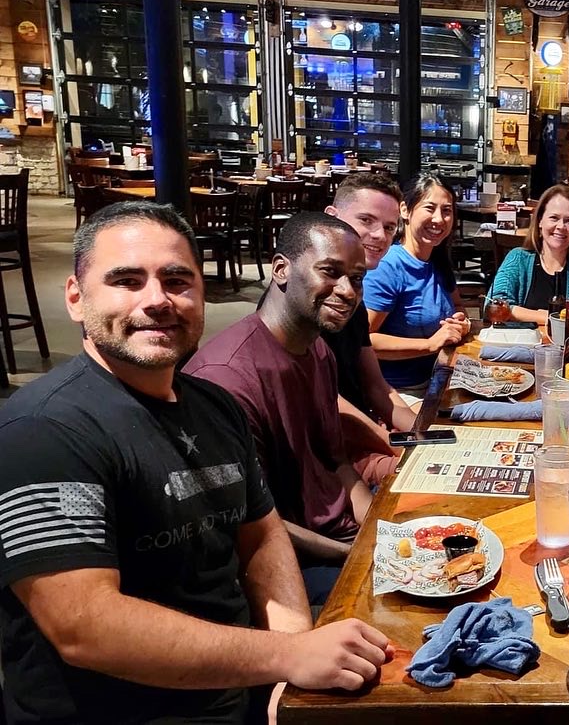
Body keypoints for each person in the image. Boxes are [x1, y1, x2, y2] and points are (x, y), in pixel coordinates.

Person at [0, 202, 393, 724]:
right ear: (76, 297)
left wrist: (292, 666)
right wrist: (287, 656)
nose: (157, 300)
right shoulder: (44, 429)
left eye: (177, 281)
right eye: (127, 281)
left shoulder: (213, 406)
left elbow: (263, 538)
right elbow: (83, 626)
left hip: (239, 685)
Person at [185, 212, 373, 605]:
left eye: (356, 279)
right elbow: (250, 522)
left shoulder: (317, 349)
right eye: (330, 272)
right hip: (288, 559)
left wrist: (378, 529)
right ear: (281, 269)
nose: (347, 291)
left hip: (340, 531)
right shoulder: (226, 378)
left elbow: (336, 462)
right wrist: (354, 554)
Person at [322, 173, 417, 481]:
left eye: (389, 227)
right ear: (332, 217)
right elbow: (325, 401)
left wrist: (423, 432)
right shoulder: (310, 296)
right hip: (329, 455)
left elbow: (375, 385)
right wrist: (394, 443)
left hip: (364, 436)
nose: (379, 235)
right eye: (366, 220)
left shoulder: (354, 296)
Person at [362, 173, 470, 392]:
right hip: (397, 392)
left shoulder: (437, 259)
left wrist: (461, 322)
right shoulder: (388, 266)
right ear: (405, 210)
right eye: (430, 208)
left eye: (446, 211)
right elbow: (363, 341)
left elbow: (458, 305)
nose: (439, 219)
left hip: (441, 378)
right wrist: (429, 344)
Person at [486, 184, 569, 325]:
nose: (561, 226)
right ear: (540, 221)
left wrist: (552, 318)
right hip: (521, 339)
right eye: (554, 218)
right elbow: (495, 305)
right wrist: (550, 317)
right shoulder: (518, 259)